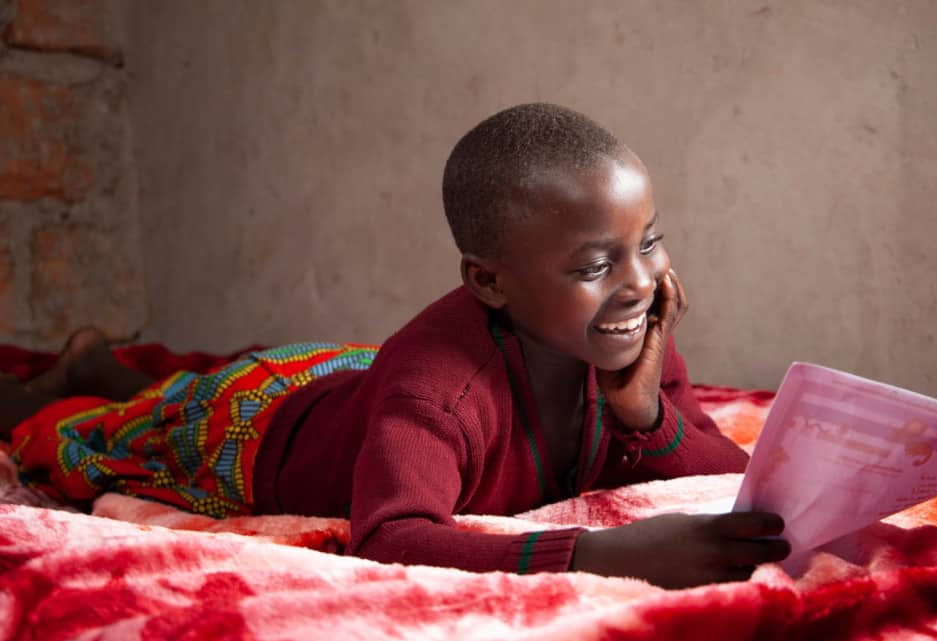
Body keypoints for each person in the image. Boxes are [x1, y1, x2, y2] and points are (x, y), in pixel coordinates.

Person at [3, 103, 789, 589]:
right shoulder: (436, 393)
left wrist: (645, 411)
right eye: (593, 264)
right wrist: (604, 556)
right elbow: (390, 536)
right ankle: (66, 375)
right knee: (108, 425)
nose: (639, 281)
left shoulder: (626, 334)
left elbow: (729, 478)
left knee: (175, 378)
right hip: (257, 425)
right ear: (489, 281)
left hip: (352, 380)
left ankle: (100, 355)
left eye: (648, 241)